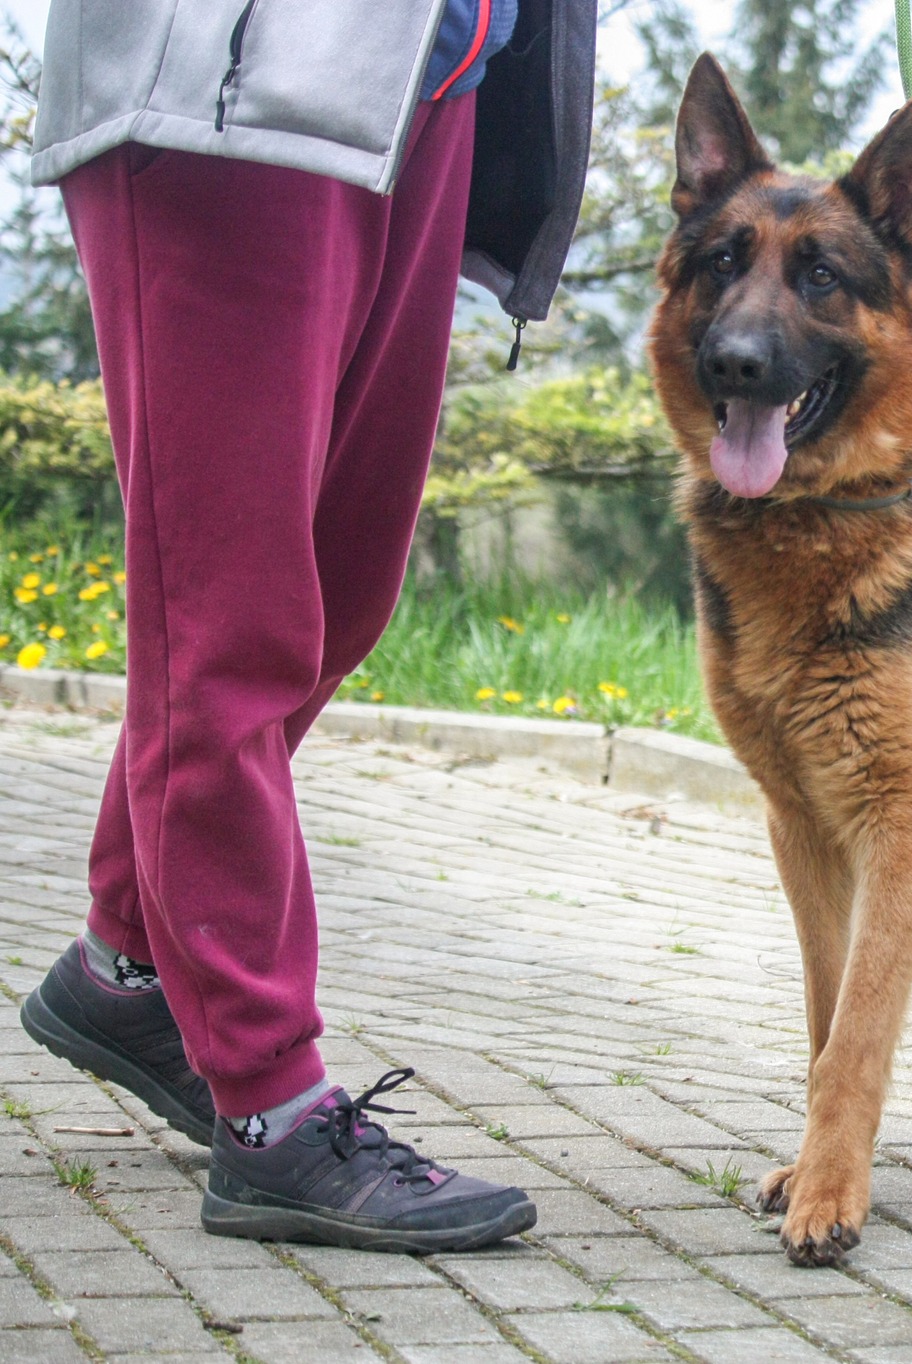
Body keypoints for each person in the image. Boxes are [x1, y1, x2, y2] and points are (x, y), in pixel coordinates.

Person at [16, 0, 597, 1253]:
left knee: (339, 588)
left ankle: (128, 965)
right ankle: (271, 1105)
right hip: (231, 81)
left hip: (428, 88)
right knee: (227, 619)